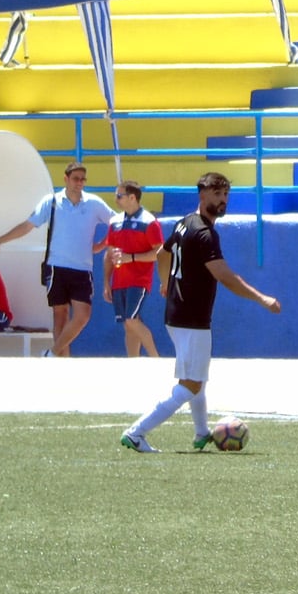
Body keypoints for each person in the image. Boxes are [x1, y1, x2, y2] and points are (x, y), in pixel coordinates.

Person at [120, 172, 280, 453]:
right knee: (191, 384)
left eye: (226, 195)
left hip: (177, 314)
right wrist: (262, 298)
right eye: (217, 194)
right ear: (202, 194)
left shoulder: (185, 223)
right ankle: (136, 432)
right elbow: (225, 276)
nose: (222, 200)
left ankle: (201, 432)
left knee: (197, 377)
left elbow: (162, 253)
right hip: (191, 318)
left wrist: (165, 282)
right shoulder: (205, 233)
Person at [0, 162, 113, 357]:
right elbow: (28, 226)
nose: (79, 183)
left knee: (83, 315)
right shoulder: (52, 201)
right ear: (65, 179)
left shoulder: (94, 203)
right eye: (75, 179)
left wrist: (101, 244)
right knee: (60, 315)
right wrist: (1, 240)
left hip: (82, 268)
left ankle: (53, 353)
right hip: (57, 266)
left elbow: (116, 224)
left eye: (83, 179)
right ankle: (61, 362)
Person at [102, 180, 163, 358]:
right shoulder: (115, 222)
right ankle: (132, 362)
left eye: (119, 196)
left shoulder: (149, 222)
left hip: (139, 280)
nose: (116, 199)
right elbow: (109, 254)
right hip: (119, 281)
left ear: (132, 197)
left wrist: (132, 258)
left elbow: (159, 252)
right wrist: (106, 282)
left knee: (132, 320)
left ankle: (155, 358)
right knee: (128, 324)